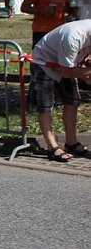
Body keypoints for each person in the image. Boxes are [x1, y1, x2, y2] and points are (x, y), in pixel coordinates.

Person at [28, 19, 91, 162]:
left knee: (73, 101)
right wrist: (85, 74)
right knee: (45, 106)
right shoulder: (73, 37)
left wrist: (87, 63)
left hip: (67, 63)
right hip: (44, 63)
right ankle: (52, 147)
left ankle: (71, 142)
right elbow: (66, 72)